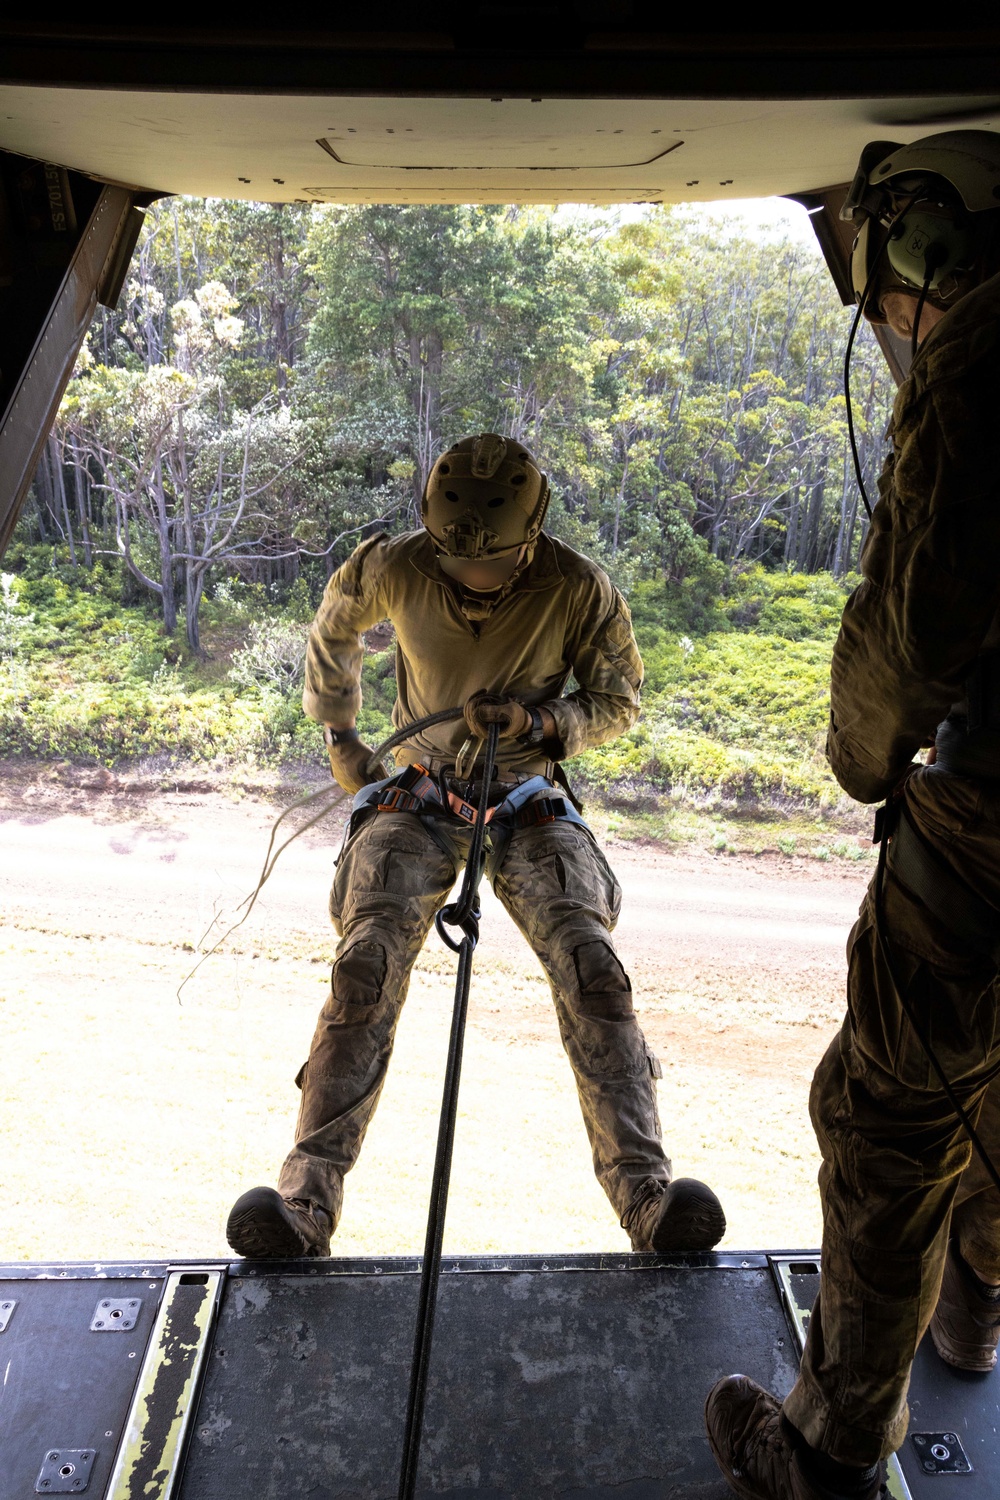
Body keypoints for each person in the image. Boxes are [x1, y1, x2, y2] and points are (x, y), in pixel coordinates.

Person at [226, 432, 726, 1259]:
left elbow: (618, 697)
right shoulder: (395, 564)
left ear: (530, 538)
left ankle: (647, 1196)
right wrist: (339, 732)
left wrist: (542, 722)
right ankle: (304, 1204)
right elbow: (336, 623)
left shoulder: (577, 588)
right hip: (420, 790)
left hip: (527, 792)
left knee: (592, 969)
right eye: (458, 568)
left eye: (491, 569)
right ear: (430, 528)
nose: (473, 581)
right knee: (365, 968)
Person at [706, 129, 1000, 1500]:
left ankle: (826, 1447)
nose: (883, 322)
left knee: (888, 1125)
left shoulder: (980, 368)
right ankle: (979, 1316)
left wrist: (864, 757)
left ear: (928, 252)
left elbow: (910, 639)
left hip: (982, 842)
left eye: (884, 291)